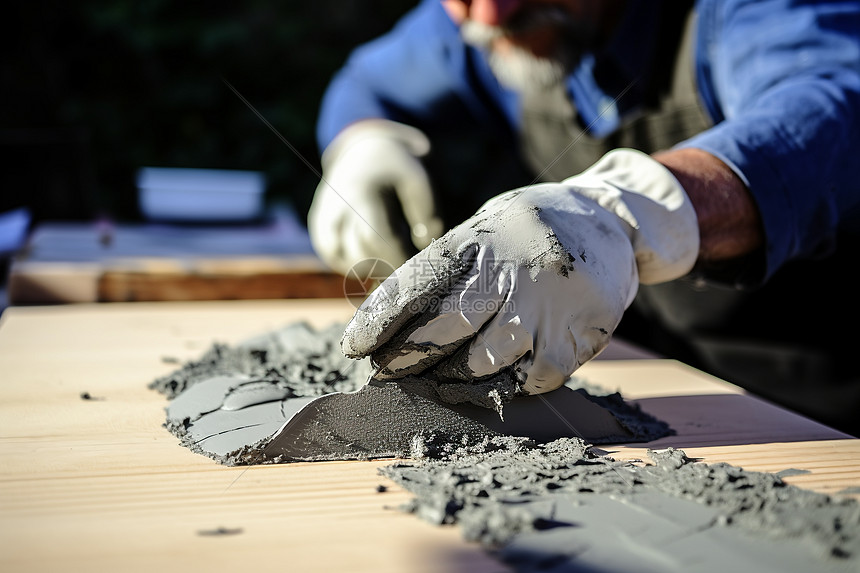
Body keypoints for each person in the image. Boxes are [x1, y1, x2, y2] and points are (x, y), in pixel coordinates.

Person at [306, 0, 860, 435]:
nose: (491, 18)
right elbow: (367, 84)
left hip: (810, 409)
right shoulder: (482, 18)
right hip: (644, 388)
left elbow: (834, 105)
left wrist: (631, 209)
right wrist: (362, 143)